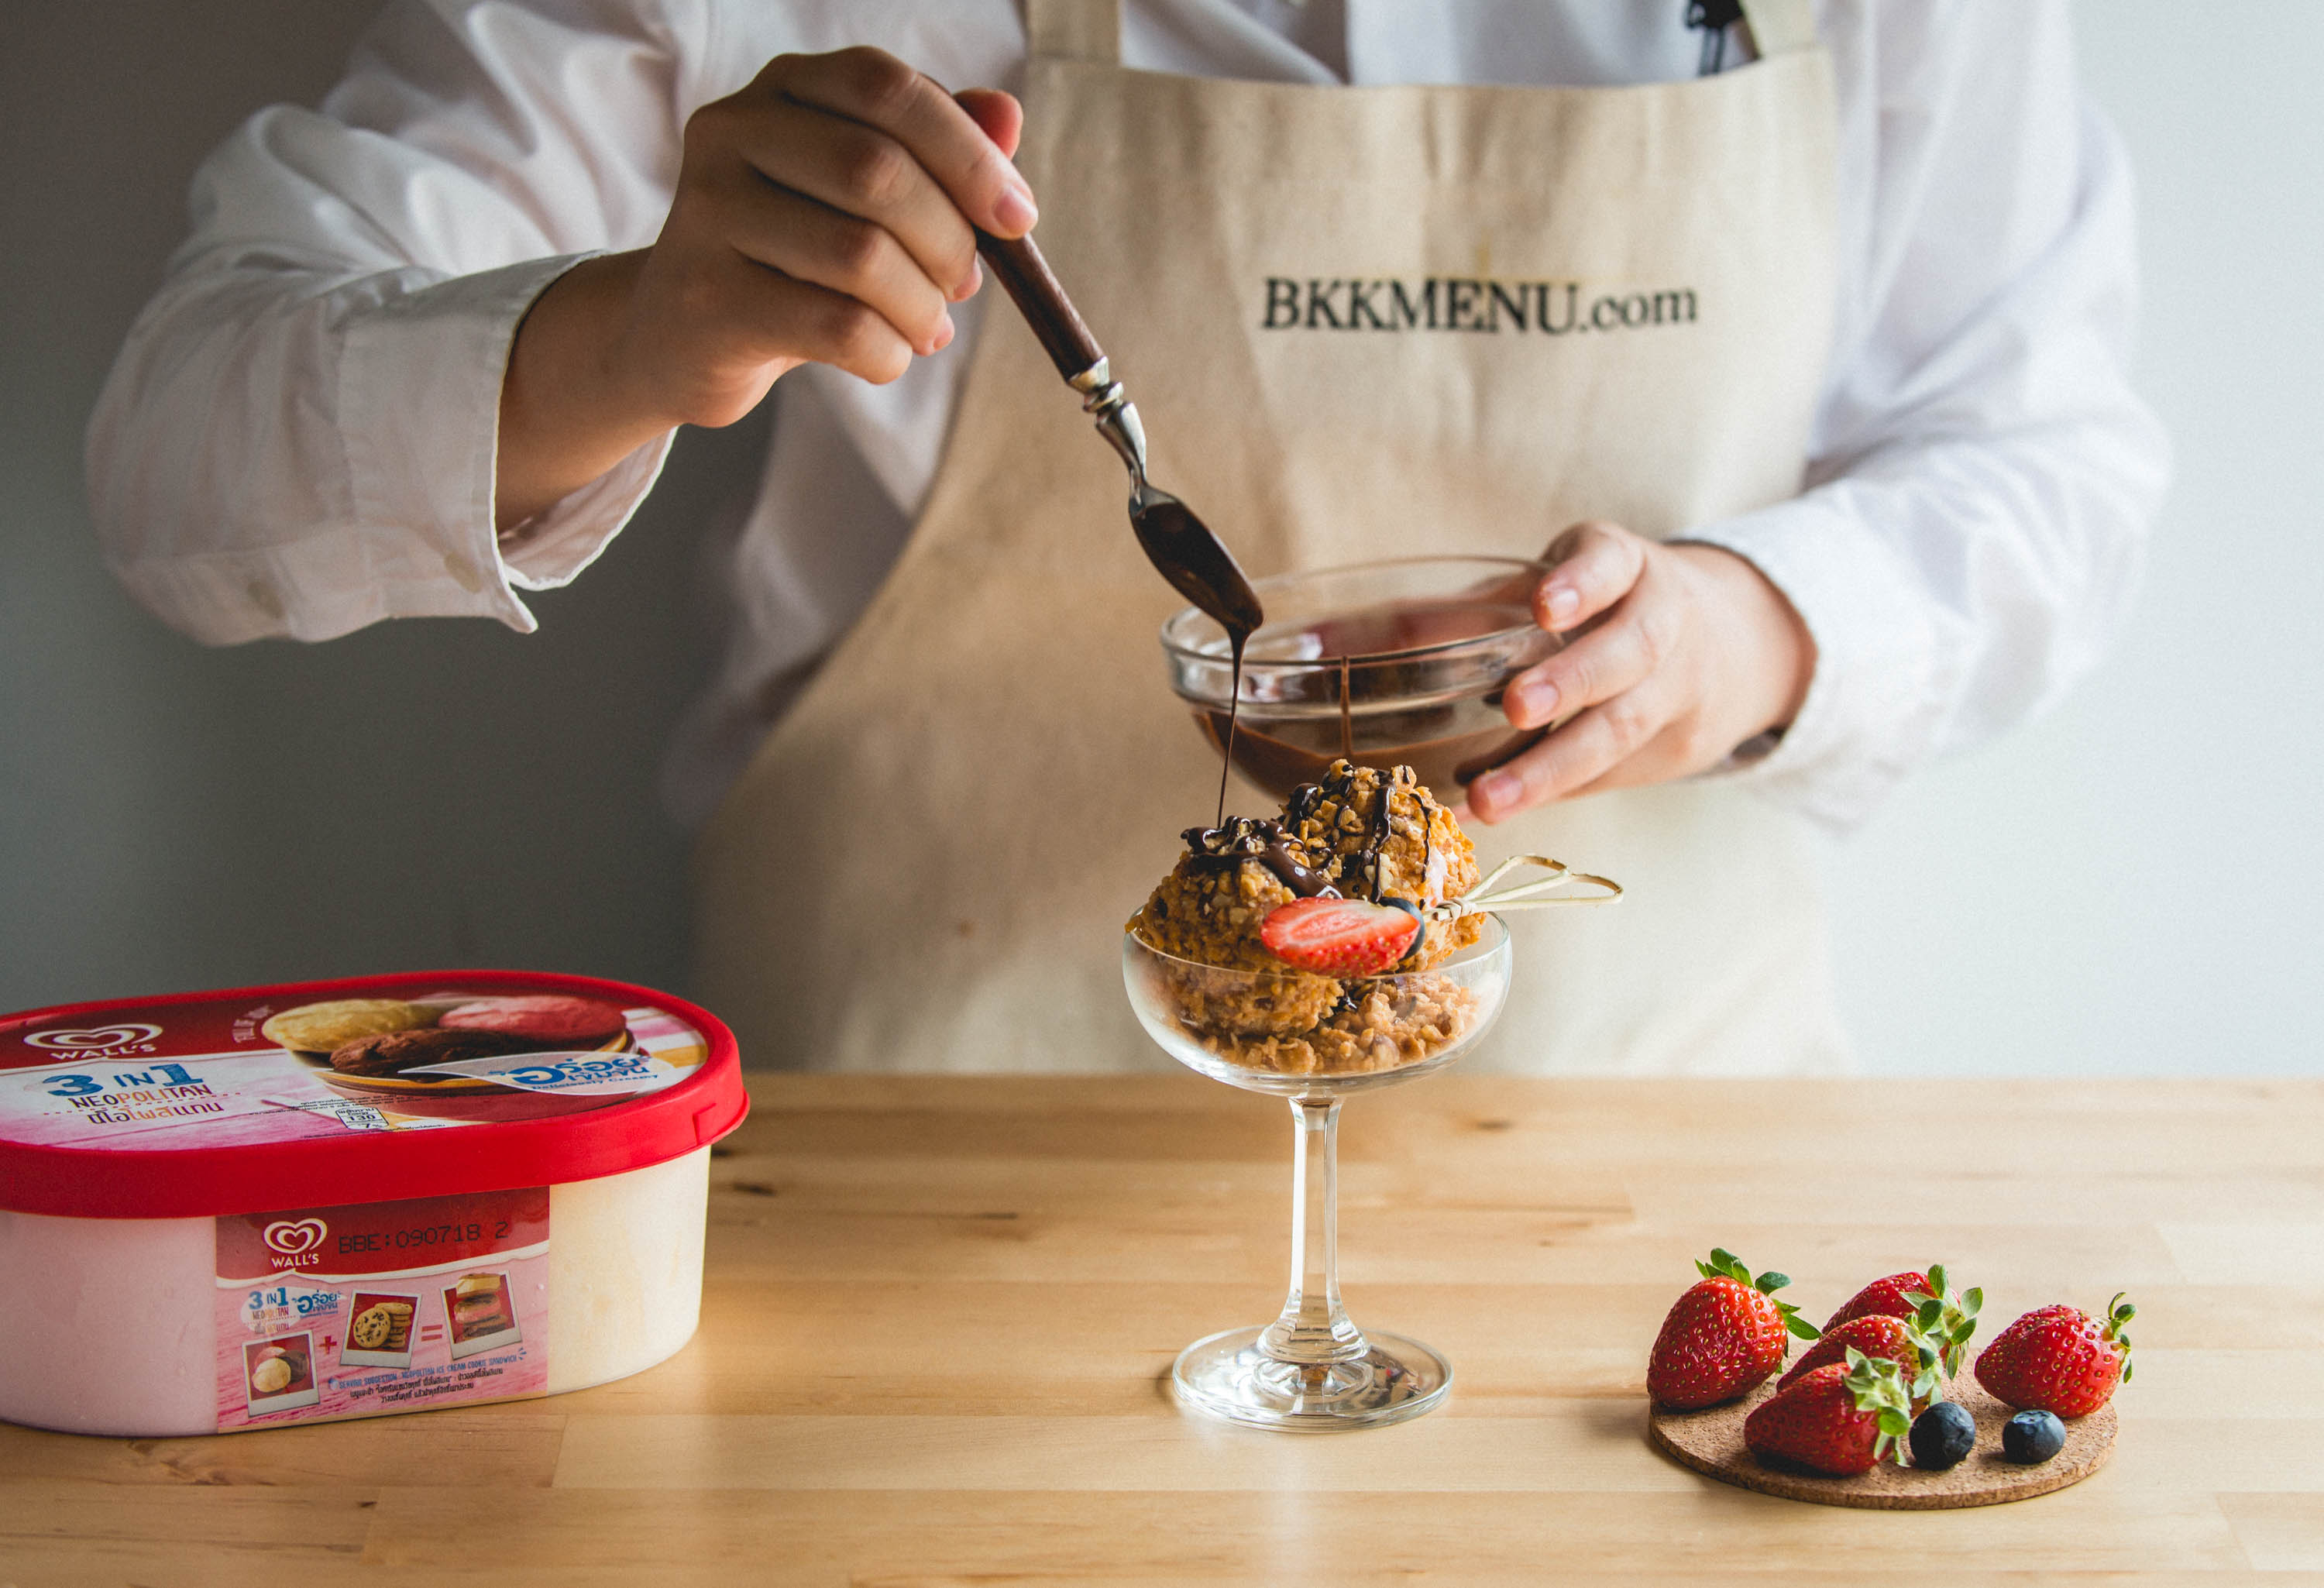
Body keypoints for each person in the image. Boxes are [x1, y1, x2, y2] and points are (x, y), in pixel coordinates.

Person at [88, 0, 2167, 1074]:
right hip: (917, 1202)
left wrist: (1745, 631)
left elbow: (2051, 461)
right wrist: (633, 332)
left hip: (1635, 1214)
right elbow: (181, 459)